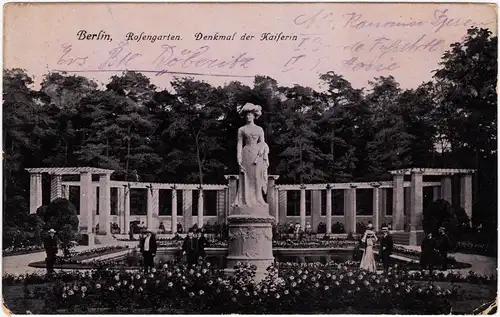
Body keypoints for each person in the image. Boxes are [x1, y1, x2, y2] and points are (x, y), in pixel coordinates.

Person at [233, 103, 269, 208]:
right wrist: (238, 158)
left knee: (257, 177)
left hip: (257, 155)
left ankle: (259, 199)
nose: (248, 117)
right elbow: (239, 145)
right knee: (246, 177)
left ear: (254, 116)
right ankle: (244, 200)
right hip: (246, 153)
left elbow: (263, 142)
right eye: (246, 115)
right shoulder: (241, 129)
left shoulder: (259, 129)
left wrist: (262, 151)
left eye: (250, 115)